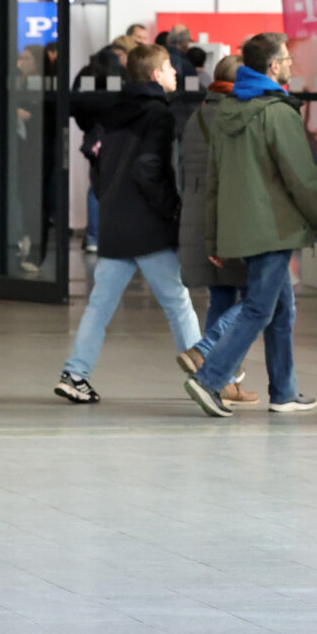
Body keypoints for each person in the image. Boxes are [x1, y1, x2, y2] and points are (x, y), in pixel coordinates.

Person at [179, 32, 317, 420]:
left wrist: (214, 238)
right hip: (275, 230)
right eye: (286, 59)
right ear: (273, 66)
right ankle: (210, 378)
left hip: (244, 229)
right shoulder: (278, 113)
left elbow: (215, 183)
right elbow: (302, 178)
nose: (290, 65)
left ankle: (284, 391)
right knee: (258, 310)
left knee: (282, 311)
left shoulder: (226, 112)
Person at [57, 43, 199, 404]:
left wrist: (108, 199)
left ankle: (75, 374)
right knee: (178, 302)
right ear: (156, 74)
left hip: (115, 222)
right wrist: (171, 208)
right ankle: (206, 374)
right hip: (148, 226)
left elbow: (96, 162)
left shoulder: (113, 111)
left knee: (99, 306)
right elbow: (148, 168)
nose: (175, 73)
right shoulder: (159, 114)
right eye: (169, 67)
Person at [175, 55, 257, 410]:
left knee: (221, 298)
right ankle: (204, 351)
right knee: (260, 298)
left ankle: (225, 383)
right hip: (229, 218)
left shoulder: (197, 115)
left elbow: (182, 172)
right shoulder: (237, 115)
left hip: (197, 216)